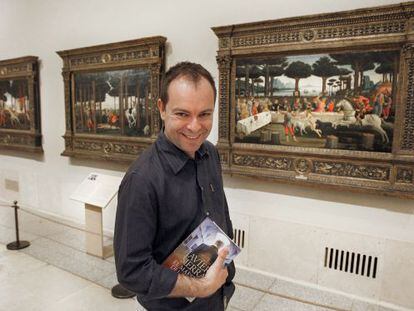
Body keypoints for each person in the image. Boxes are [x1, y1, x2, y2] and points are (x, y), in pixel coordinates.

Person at [114, 62, 235, 311]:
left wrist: (225, 275)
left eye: (204, 114)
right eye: (182, 114)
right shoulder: (142, 179)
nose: (194, 127)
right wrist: (199, 287)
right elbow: (131, 272)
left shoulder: (209, 153)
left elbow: (219, 214)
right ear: (161, 108)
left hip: (216, 297)